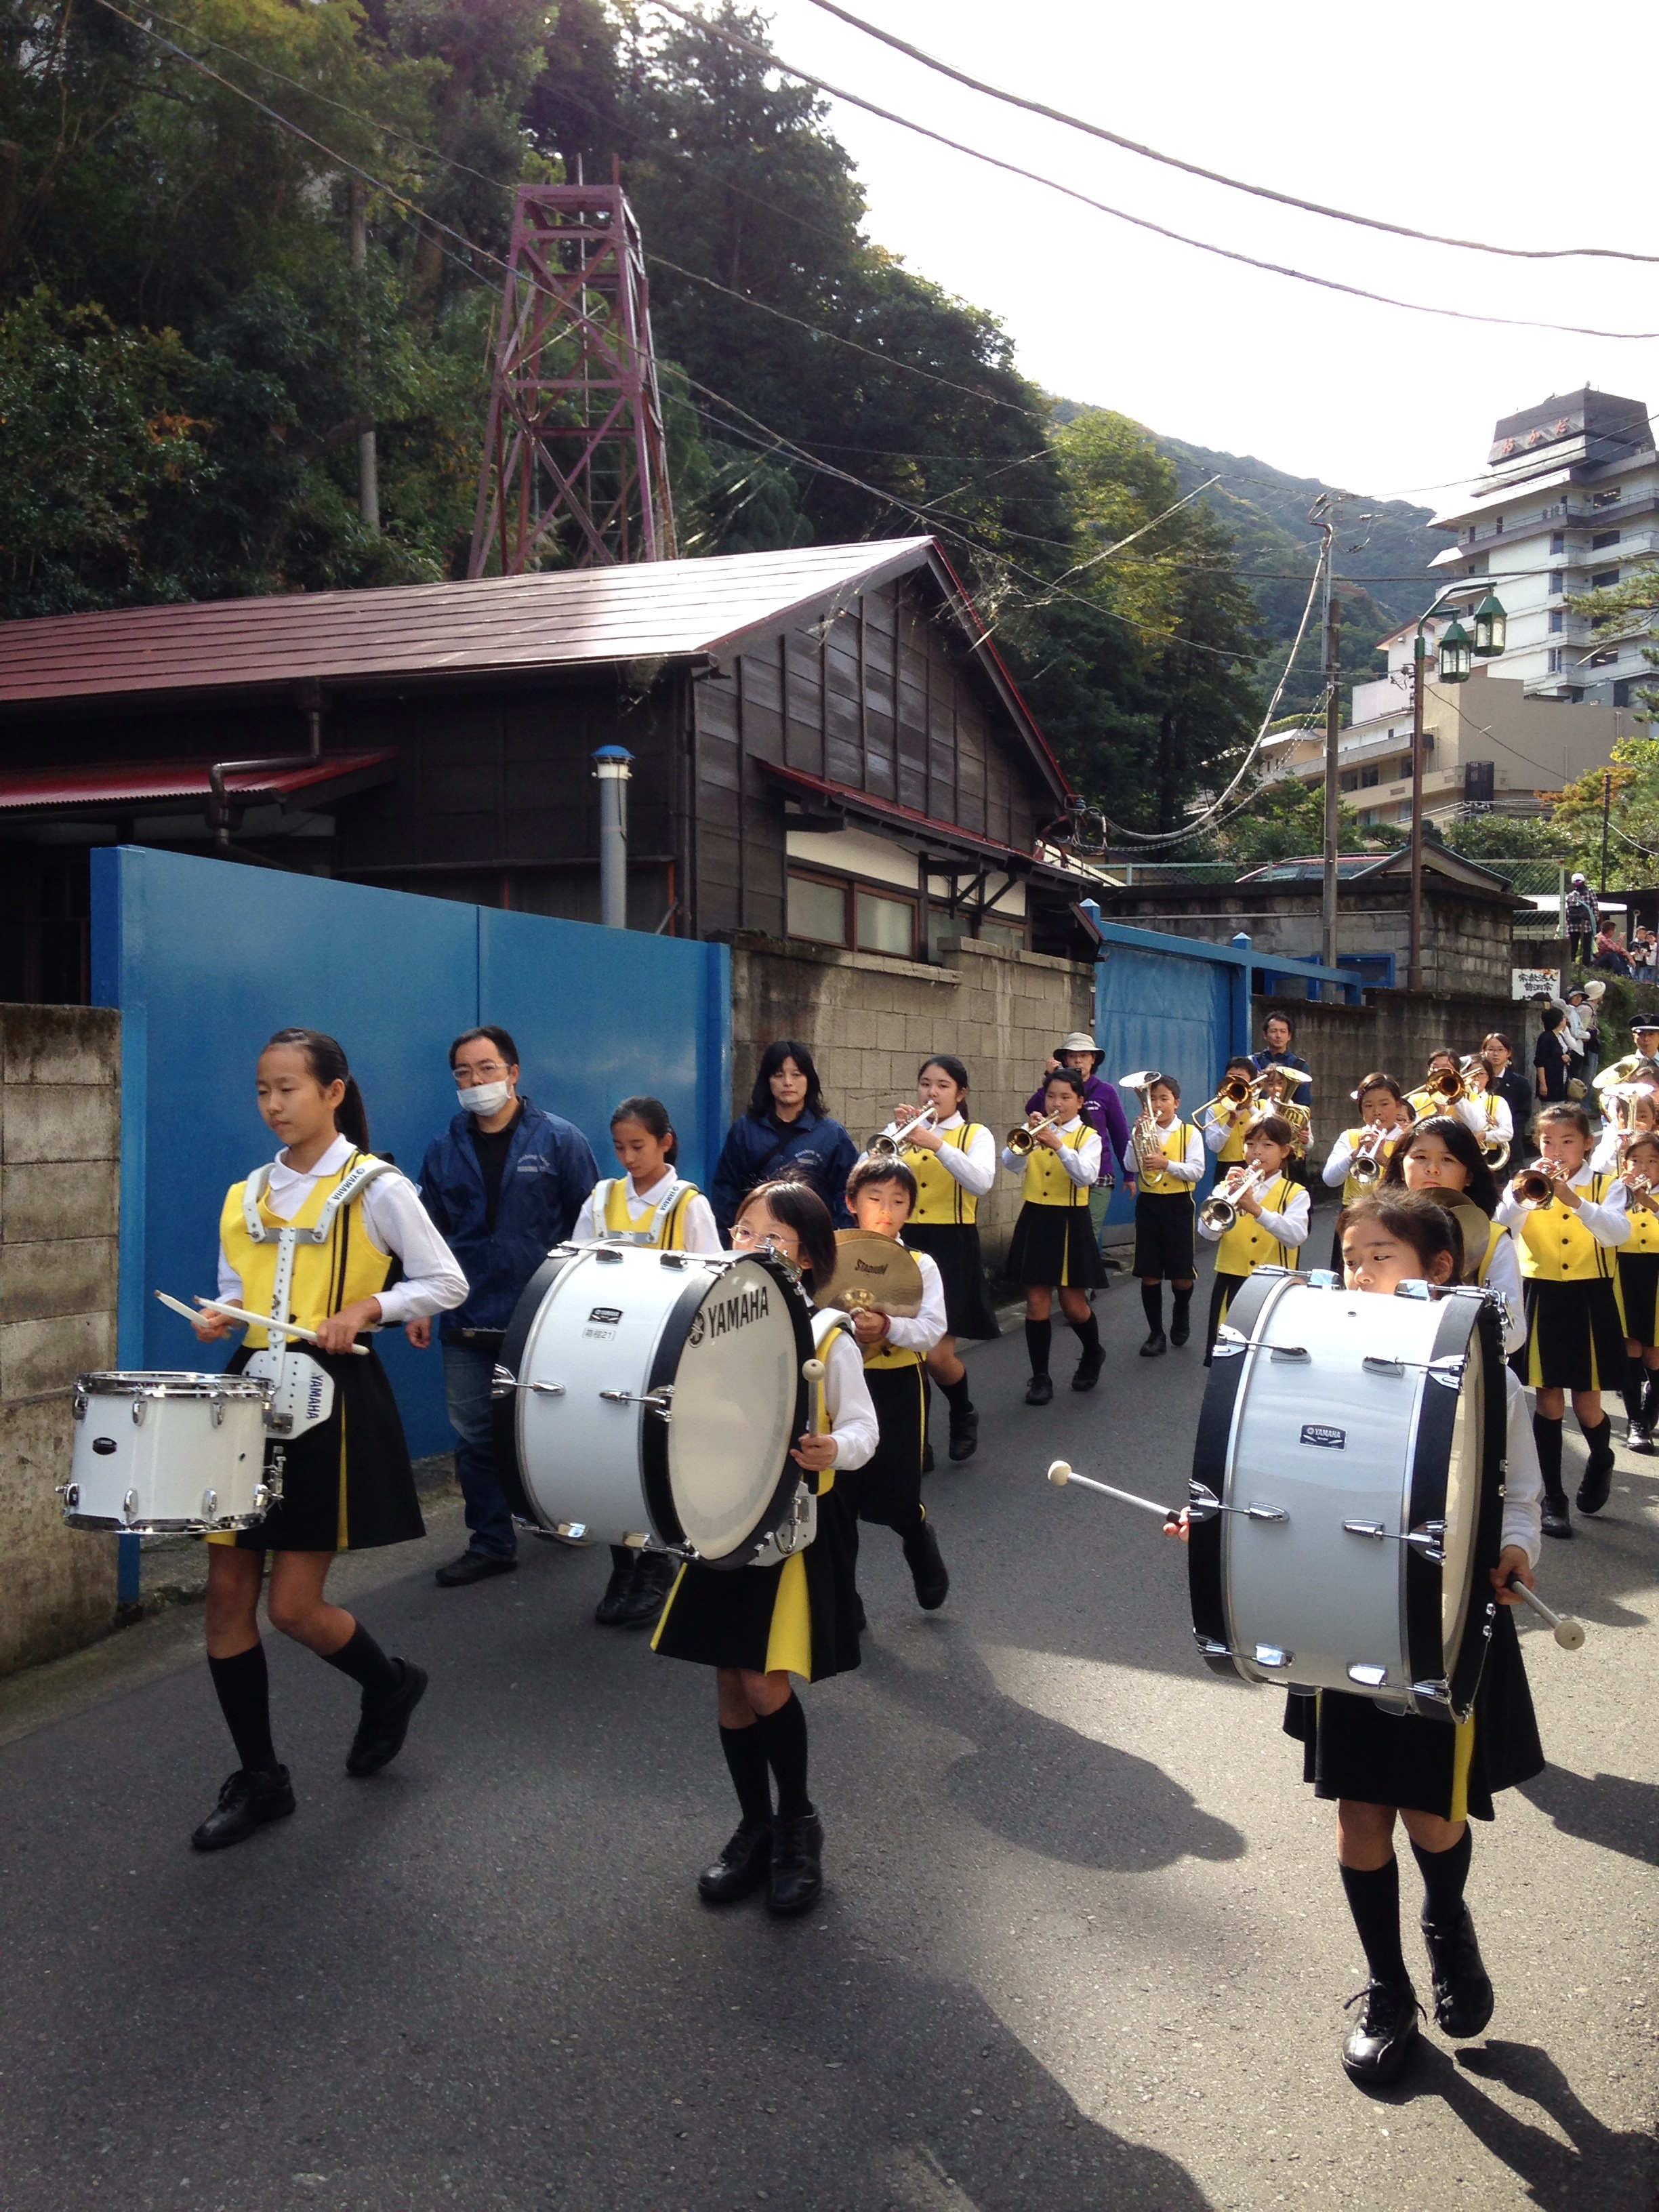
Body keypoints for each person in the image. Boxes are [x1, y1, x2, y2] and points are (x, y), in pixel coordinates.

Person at [1173, 1189, 1542, 2089]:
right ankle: (1387, 1989)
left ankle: (1447, 1925)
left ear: (1437, 1272)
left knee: (1433, 1816)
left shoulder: (1491, 1379)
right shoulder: (1316, 1363)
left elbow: (1519, 1495)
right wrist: (1219, 1525)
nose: (1359, 1272)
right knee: (1360, 1816)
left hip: (1436, 1625)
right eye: (1349, 1258)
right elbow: (1267, 1464)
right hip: (1342, 1618)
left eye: (1380, 1256)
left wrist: (1517, 1548)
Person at [186, 1028, 468, 1851]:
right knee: (226, 1596)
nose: (273, 1104)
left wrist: (371, 1308)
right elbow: (238, 1292)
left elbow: (446, 1281)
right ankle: (261, 1778)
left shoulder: (377, 1186)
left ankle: (389, 1683)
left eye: (289, 1089)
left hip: (330, 1397)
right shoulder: (246, 1192)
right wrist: (219, 1317)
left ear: (333, 1092)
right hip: (248, 1394)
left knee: (293, 1607)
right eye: (263, 1090)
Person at [651, 1180, 876, 1918]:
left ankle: (798, 1826)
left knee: (762, 1680)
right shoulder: (712, 1327)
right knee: (729, 1680)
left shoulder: (827, 1335)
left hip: (790, 1525)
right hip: (722, 1517)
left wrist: (833, 1447)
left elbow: (865, 1430)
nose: (751, 1246)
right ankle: (756, 1826)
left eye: (772, 1237)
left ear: (806, 1258)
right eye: (743, 1232)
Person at [411, 1027, 598, 1588]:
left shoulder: (561, 1141)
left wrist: (585, 1305)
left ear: (513, 1073)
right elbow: (427, 1234)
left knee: (549, 1427)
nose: (475, 1081)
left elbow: (590, 1229)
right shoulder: (443, 1150)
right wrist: (418, 1303)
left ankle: (560, 1516)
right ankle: (491, 1542)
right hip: (466, 1314)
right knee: (475, 1434)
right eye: (463, 1072)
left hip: (542, 1314)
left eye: (487, 1069)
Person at [573, 1096, 723, 1628]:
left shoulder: (689, 1205)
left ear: (666, 1142)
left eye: (638, 1146)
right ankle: (622, 1564)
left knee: (654, 1457)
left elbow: (712, 1281)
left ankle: (657, 1563)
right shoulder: (600, 1199)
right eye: (619, 1148)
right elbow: (576, 1267)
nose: (628, 1158)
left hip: (664, 1353)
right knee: (609, 1459)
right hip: (607, 1347)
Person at [1496, 1101, 1631, 1540]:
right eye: (1548, 1141)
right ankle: (1553, 1498)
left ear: (1587, 1144)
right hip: (1543, 1293)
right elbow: (1502, 1227)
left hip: (1590, 1297)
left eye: (1567, 1141)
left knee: (1588, 1405)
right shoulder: (1524, 1182)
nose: (1556, 1150)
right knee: (1549, 1399)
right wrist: (1523, 1198)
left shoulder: (1608, 1185)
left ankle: (1602, 1458)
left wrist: (1574, 1199)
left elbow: (1617, 1233)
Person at [836, 1157, 949, 1613]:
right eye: (875, 1198)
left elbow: (932, 1330)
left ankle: (918, 1538)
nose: (886, 1209)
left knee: (899, 1494)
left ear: (911, 1210)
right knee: (839, 1499)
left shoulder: (921, 1265)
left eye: (898, 1201)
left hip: (898, 1386)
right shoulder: (831, 1256)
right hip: (841, 1387)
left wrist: (887, 1327)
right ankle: (845, 1602)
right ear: (852, 1203)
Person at [888, 1054, 1000, 1464]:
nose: (932, 1093)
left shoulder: (975, 1134)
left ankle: (962, 1411)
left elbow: (981, 1182)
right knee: (909, 1354)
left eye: (942, 1086)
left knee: (936, 1355)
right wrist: (896, 1137)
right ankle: (919, 1442)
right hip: (906, 1243)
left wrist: (936, 1143)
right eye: (925, 1084)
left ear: (961, 1093)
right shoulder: (902, 1130)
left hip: (952, 1243)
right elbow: (865, 1171)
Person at [1378, 1115, 1524, 1355]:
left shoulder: (1494, 1240)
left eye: (1448, 1160)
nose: (1432, 1169)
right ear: (1401, 1167)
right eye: (1420, 1157)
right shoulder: (1374, 1227)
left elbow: (1514, 1331)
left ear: (1469, 1176)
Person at [1003, 1067, 1105, 1404]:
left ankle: (1093, 1351)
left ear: (1080, 1102)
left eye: (1065, 1097)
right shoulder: (1033, 1130)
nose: (1056, 1104)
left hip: (1070, 1220)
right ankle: (1040, 1378)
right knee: (1036, 1303)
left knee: (1074, 1306)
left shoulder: (1088, 1137)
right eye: (1050, 1096)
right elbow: (1010, 1164)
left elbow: (1086, 1176)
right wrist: (1028, 1137)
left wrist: (1059, 1145)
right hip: (1036, 1217)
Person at [711, 1041, 857, 1237]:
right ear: (767, 1081)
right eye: (779, 1075)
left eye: (796, 1075)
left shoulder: (832, 1134)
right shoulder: (744, 1130)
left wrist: (839, 1240)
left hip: (812, 1241)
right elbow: (726, 1189)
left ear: (809, 1080)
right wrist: (730, 1238)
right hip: (757, 1239)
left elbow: (847, 1193)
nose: (788, 1082)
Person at [1199, 1114, 1309, 1359]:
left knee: (1268, 1355)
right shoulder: (1226, 1188)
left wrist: (1257, 1210)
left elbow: (1296, 1236)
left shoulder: (1296, 1193)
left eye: (1267, 1145)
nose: (1257, 1152)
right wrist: (1226, 1196)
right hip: (1231, 1281)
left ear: (1284, 1151)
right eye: (1250, 1144)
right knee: (1227, 1354)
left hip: (1275, 1284)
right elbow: (1207, 1233)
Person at [1025, 1030, 1131, 1242]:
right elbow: (1032, 1110)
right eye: (1072, 1056)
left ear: (1093, 1060)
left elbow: (1120, 1133)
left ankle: (1086, 1264)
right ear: (1064, 1060)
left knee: (1087, 1234)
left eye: (1084, 1055)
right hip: (1062, 1171)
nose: (1078, 1060)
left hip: (1099, 1173)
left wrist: (1128, 1174)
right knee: (1064, 1236)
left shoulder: (1106, 1091)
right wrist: (1049, 1079)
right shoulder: (1054, 1090)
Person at [1130, 1073, 1200, 1356]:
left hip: (1179, 1205)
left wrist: (1166, 1164)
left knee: (1182, 1275)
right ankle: (1155, 1333)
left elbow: (1197, 1171)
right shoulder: (1142, 1130)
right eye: (1153, 1099)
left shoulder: (1189, 1133)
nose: (1158, 1104)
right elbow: (1130, 1165)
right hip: (1149, 1204)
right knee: (1150, 1273)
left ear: (1176, 1103)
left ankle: (1181, 1311)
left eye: (1164, 1099)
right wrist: (1136, 1137)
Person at [1320, 1073, 1408, 1273]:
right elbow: (1330, 1180)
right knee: (1348, 1274)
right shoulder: (1350, 1137)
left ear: (1397, 1105)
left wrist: (1384, 1160)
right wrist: (1353, 1155)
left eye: (1384, 1104)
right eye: (1368, 1106)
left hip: (1396, 1217)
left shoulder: (1407, 1139)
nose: (1377, 1112)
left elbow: (1413, 1184)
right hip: (1353, 1217)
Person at [1200, 1055, 1260, 1174]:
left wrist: (1250, 1106)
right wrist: (1230, 1123)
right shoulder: (1214, 1110)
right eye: (1231, 1076)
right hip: (1226, 1169)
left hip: (1258, 1163)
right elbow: (1214, 1147)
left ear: (1251, 1081)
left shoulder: (1262, 1105)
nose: (1235, 1080)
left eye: (1241, 1077)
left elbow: (1272, 1128)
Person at [1481, 1031, 1532, 1155]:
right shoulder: (1474, 1080)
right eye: (1491, 1049)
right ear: (1484, 1052)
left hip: (1509, 1145)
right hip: (1480, 1143)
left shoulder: (1520, 1082)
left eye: (1500, 1050)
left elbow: (1524, 1113)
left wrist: (1502, 1124)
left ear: (1508, 1053)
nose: (1495, 1054)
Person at [1532, 1005, 1572, 1109]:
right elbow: (1540, 1062)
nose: (1566, 1020)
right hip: (1550, 1078)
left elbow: (1565, 1051)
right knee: (1551, 1109)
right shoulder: (1546, 1037)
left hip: (1562, 1078)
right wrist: (1543, 1084)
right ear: (1558, 1020)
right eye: (1563, 1018)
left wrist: (1567, 1057)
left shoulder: (1560, 1035)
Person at [1564, 871, 1597, 966]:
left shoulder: (1571, 895)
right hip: (1586, 924)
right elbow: (1595, 907)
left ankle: (1572, 963)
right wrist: (1594, 920)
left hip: (1573, 925)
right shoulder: (1590, 892)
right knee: (1586, 946)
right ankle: (1585, 964)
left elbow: (1568, 910)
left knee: (1574, 945)